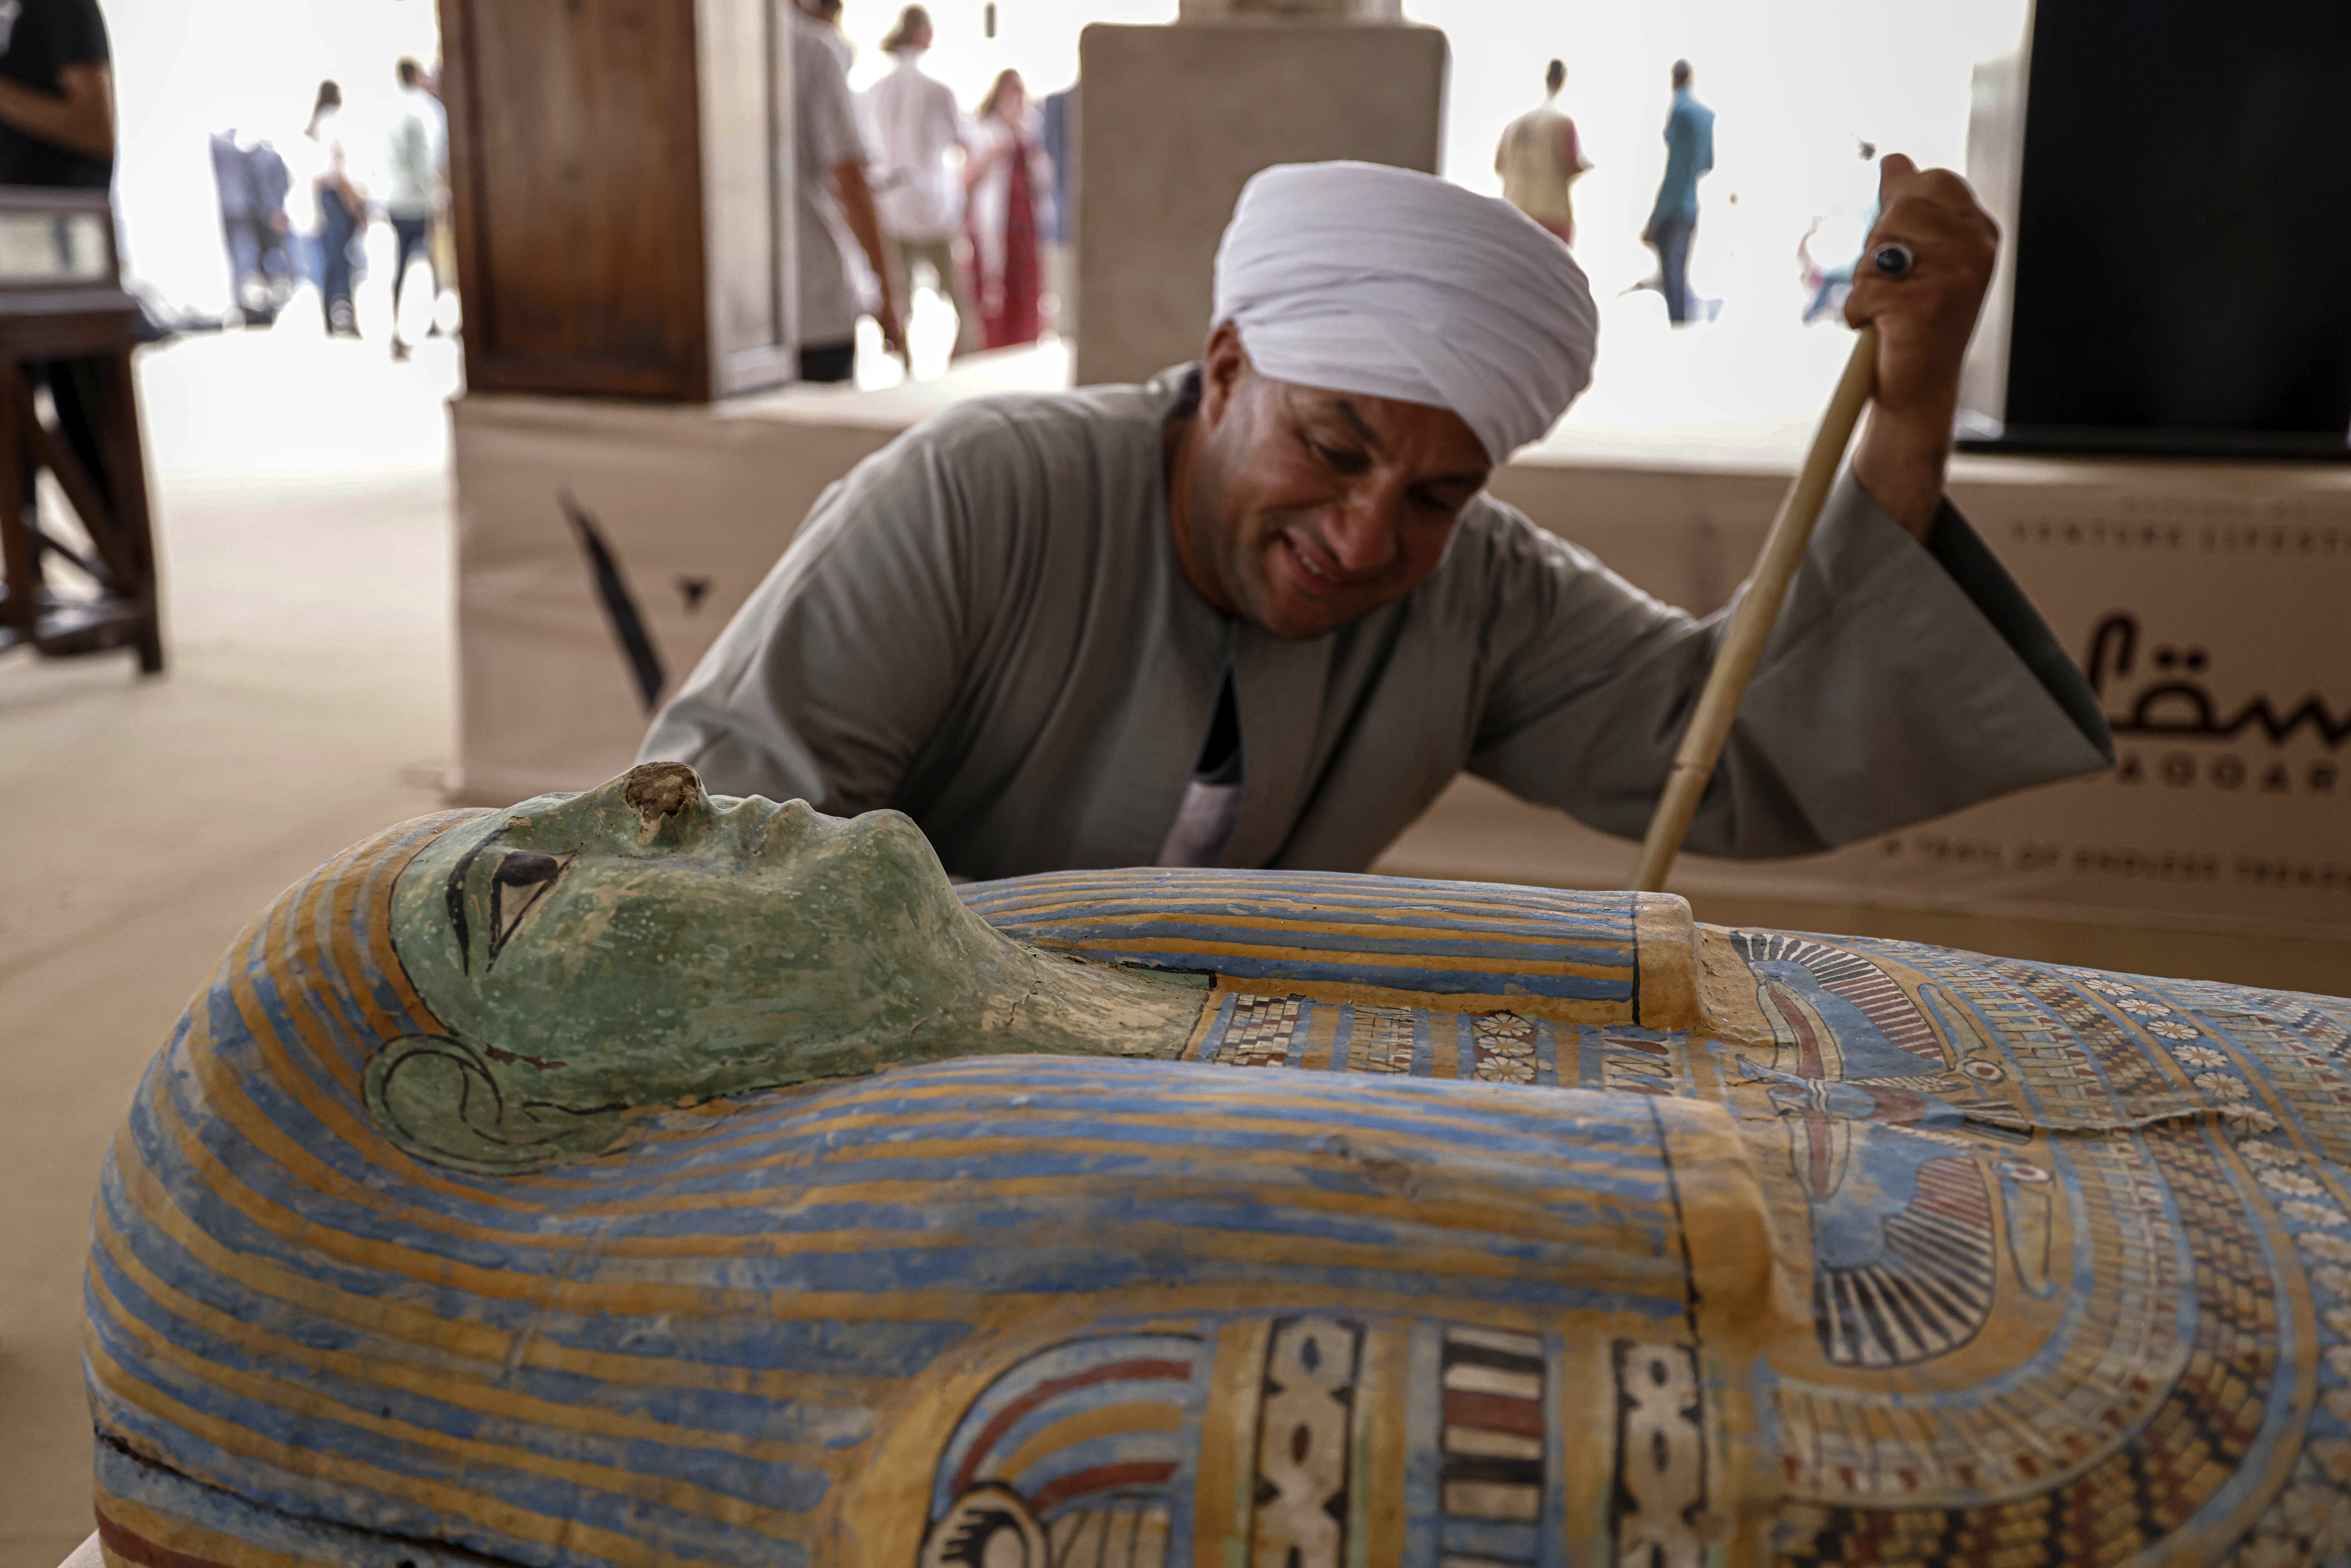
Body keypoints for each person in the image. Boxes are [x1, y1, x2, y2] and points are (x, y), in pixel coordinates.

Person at [642, 158, 2109, 884]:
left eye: (1436, 496)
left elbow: (1729, 743)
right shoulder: (982, 491)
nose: (1363, 539)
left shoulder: (1477, 593)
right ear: (1226, 369)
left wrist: (1910, 409)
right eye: (1331, 447)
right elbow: (715, 839)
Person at [0, 0, 117, 519]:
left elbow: (96, 126)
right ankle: (29, 580)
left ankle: (119, 576)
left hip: (61, 252)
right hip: (13, 251)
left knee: (88, 432)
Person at [789, 1, 904, 383]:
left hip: (735, 321)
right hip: (814, 303)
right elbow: (850, 181)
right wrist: (890, 298)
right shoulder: (813, 50)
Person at [866, 4, 981, 360]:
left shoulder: (877, 91)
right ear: (921, 34)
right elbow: (968, 144)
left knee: (900, 299)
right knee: (958, 299)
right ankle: (960, 362)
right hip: (932, 209)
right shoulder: (937, 90)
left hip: (893, 207)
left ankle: (907, 369)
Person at [961, 68, 1051, 351]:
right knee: (994, 296)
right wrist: (1000, 146)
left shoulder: (1031, 133)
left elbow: (1043, 182)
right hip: (995, 229)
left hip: (1025, 228)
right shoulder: (985, 131)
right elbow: (967, 179)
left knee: (1026, 293)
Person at [382, 57, 447, 361]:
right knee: (427, 261)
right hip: (417, 198)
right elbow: (429, 155)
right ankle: (428, 321)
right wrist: (437, 191)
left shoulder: (388, 107)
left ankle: (398, 325)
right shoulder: (422, 109)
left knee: (401, 264)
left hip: (394, 197)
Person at [1643, 58, 1714, 326]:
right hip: (1690, 208)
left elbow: (1675, 174)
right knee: (1677, 279)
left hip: (1675, 211)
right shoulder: (1704, 115)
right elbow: (1707, 164)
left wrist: (1655, 220)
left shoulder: (1681, 112)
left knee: (1673, 284)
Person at [1495, 57, 1591, 247]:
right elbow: (1572, 162)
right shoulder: (1563, 123)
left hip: (1514, 210)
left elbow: (1499, 165)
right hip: (1551, 216)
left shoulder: (1514, 126)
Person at [304, 80, 364, 337]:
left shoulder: (317, 124)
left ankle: (331, 317)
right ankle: (345, 317)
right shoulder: (332, 122)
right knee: (341, 260)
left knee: (333, 259)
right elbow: (337, 171)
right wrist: (354, 204)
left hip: (326, 196)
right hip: (336, 196)